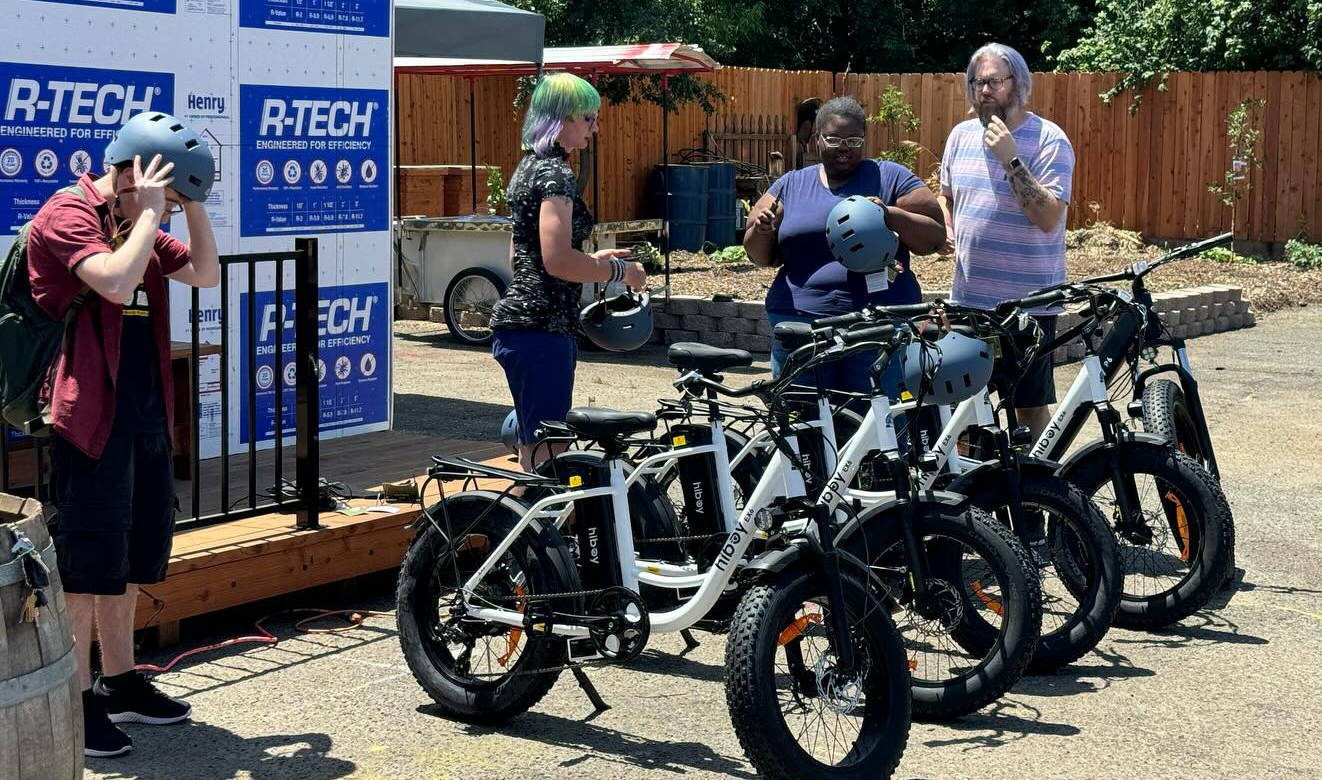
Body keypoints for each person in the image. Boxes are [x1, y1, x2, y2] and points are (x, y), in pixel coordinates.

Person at [26, 111, 219, 757]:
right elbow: (111, 281)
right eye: (168, 193)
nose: (169, 210)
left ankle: (123, 682)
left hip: (142, 415)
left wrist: (190, 211)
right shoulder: (68, 213)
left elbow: (204, 273)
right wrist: (145, 217)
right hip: (88, 418)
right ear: (134, 173)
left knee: (131, 561)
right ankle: (77, 702)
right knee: (87, 569)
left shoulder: (144, 223)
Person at [489, 73, 646, 471]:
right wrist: (618, 271)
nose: (596, 127)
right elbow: (556, 261)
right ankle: (532, 531)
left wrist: (591, 260)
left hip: (524, 329)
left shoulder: (528, 167)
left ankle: (529, 529)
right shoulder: (555, 175)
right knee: (549, 458)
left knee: (535, 451)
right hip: (541, 329)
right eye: (589, 118)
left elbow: (520, 255)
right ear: (562, 120)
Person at [744, 95, 946, 395]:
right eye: (834, 139)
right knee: (804, 426)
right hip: (802, 326)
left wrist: (890, 215)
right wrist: (761, 229)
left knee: (881, 427)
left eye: (853, 139)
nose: (844, 148)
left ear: (865, 138)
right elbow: (760, 255)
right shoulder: (791, 184)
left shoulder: (889, 177)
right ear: (816, 139)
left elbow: (934, 237)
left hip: (879, 327)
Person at [938, 43, 1076, 437]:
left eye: (995, 81)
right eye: (978, 82)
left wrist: (1010, 159)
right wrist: (945, 224)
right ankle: (974, 494)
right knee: (965, 409)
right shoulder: (960, 136)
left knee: (1028, 408)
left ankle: (1036, 496)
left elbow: (1049, 217)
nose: (985, 91)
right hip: (969, 302)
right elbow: (945, 197)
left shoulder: (1050, 140)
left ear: (1018, 83)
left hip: (1028, 305)